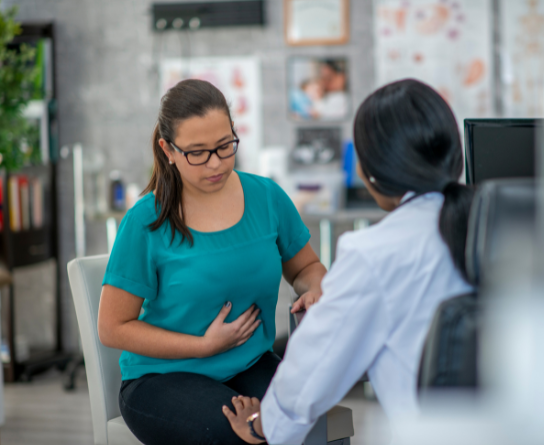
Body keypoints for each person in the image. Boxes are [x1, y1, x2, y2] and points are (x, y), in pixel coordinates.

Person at [222, 78, 475, 444]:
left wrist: (259, 424)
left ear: (370, 172)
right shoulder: (505, 222)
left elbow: (313, 371)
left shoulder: (373, 252)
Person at [97, 79, 326, 445]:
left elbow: (305, 268)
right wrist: (203, 346)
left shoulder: (267, 197)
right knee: (235, 434)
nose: (216, 163)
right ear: (167, 150)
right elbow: (112, 327)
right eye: (198, 152)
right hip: (162, 378)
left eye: (225, 146)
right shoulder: (146, 220)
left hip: (249, 363)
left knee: (303, 418)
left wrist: (314, 288)